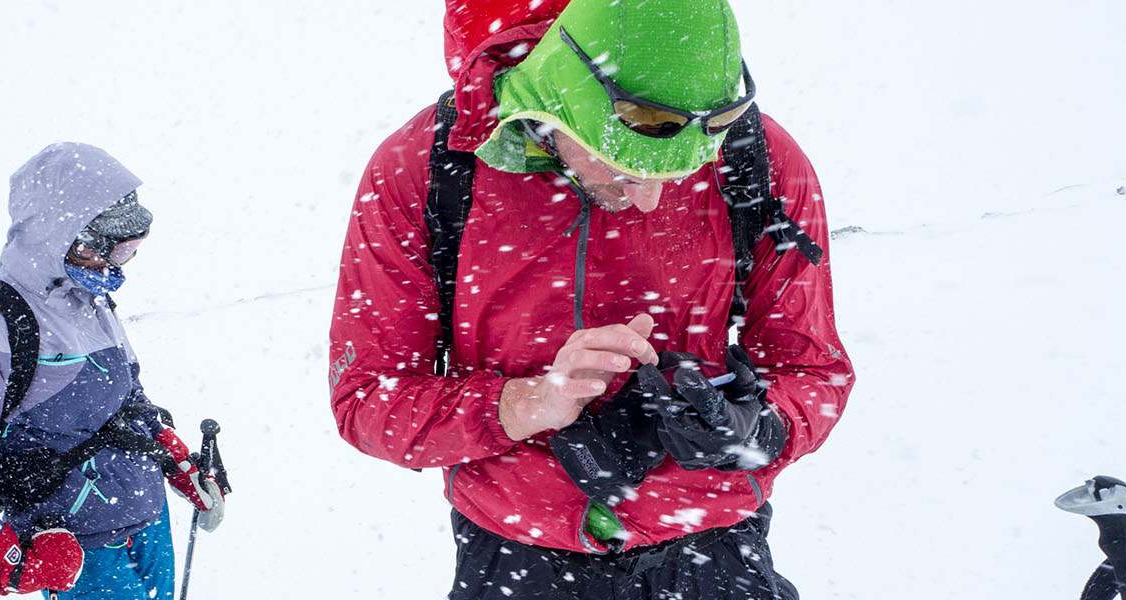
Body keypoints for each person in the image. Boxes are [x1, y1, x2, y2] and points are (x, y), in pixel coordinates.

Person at [328, 1, 853, 598]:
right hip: (515, 550)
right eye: (627, 171)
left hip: (711, 545)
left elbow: (816, 371)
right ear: (562, 101)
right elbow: (366, 401)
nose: (651, 200)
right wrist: (526, 404)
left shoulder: (755, 156)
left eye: (677, 175)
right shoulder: (426, 167)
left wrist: (757, 430)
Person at [0, 142, 224, 599]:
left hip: (143, 509)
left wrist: (169, 450)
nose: (115, 266)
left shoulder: (91, 298)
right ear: (57, 235)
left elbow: (126, 393)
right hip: (73, 543)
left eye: (128, 251)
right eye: (109, 251)